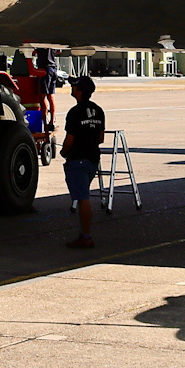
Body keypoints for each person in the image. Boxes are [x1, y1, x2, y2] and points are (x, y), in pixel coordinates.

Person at [60, 75, 105, 248]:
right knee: (83, 195)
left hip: (77, 160)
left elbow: (69, 139)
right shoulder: (98, 111)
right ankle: (84, 234)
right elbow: (100, 138)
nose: (72, 88)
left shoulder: (74, 112)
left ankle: (86, 236)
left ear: (79, 91)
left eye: (74, 87)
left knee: (83, 198)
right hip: (92, 160)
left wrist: (64, 152)